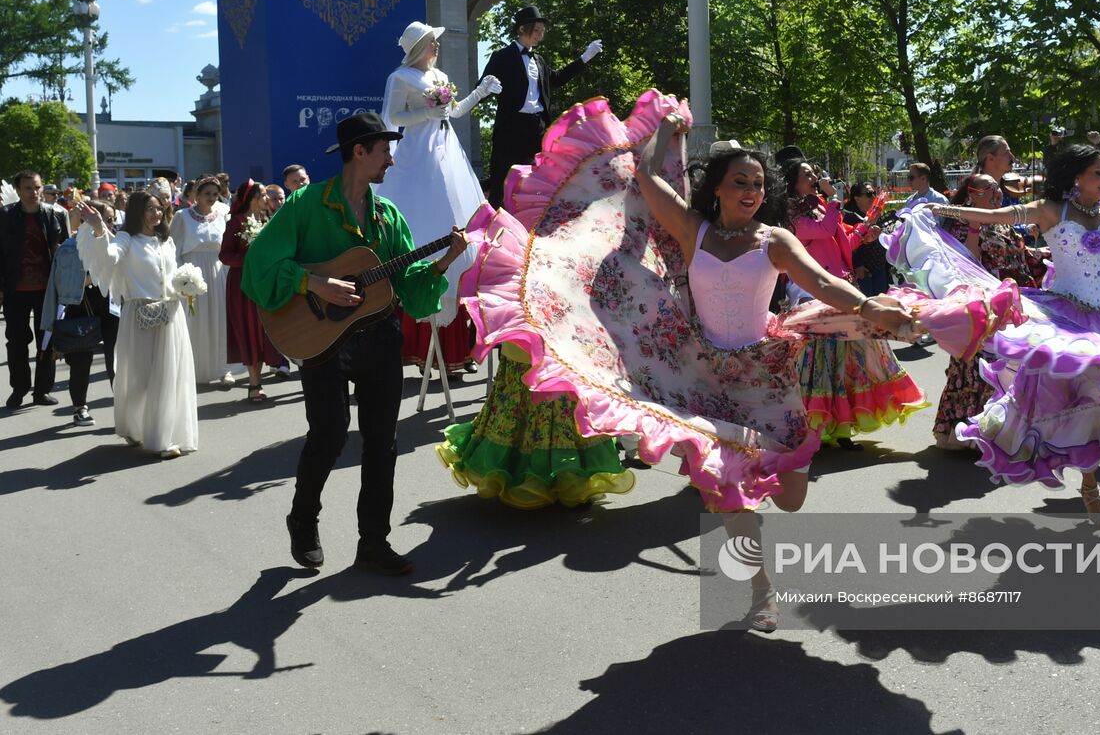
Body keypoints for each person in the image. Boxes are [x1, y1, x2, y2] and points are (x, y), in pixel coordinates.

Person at [455, 96, 1009, 629]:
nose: (751, 191)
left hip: (765, 376)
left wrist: (867, 307)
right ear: (716, 188)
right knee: (725, 490)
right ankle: (761, 591)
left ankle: (774, 495)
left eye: (758, 183)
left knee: (790, 498)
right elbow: (648, 182)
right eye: (740, 182)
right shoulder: (693, 232)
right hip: (703, 377)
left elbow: (822, 281)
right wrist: (664, 132)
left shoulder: (774, 240)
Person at [891, 144, 1100, 525]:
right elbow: (993, 216)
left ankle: (1090, 484)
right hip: (1067, 321)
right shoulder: (1050, 210)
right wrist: (942, 209)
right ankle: (1088, 485)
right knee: (1069, 404)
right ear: (1077, 178)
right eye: (1099, 173)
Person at [242, 112, 471, 576]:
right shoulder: (306, 204)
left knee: (382, 444)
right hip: (321, 337)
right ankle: (303, 520)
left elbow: (407, 287)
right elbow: (259, 267)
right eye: (384, 150)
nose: (391, 159)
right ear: (359, 152)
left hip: (379, 338)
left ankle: (374, 542)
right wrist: (313, 284)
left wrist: (445, 261)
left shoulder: (388, 216)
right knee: (327, 435)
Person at [378, 20, 499, 373]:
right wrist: (426, 113)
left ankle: (456, 327)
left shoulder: (439, 74)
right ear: (420, 46)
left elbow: (455, 111)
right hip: (417, 154)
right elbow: (393, 116)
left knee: (457, 211)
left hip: (447, 153)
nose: (437, 47)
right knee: (424, 217)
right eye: (433, 42)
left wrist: (481, 92)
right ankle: (422, 290)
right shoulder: (400, 77)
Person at [784, 158, 925, 448]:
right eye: (807, 174)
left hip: (840, 287)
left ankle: (843, 427)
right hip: (813, 293)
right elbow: (823, 232)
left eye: (814, 172)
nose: (814, 176)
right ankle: (816, 424)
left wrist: (862, 234)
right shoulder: (791, 215)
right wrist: (834, 199)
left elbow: (841, 242)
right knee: (820, 363)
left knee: (849, 359)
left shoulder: (820, 208)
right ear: (792, 182)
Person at [435, 340, 637, 508]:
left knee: (562, 406)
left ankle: (563, 477)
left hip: (560, 341)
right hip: (528, 338)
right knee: (535, 404)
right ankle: (544, 478)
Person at [73, 192, 199, 458]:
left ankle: (164, 438)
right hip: (139, 314)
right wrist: (98, 227)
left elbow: (170, 275)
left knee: (169, 376)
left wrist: (186, 285)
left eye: (158, 208)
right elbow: (108, 257)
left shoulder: (166, 240)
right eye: (149, 209)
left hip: (171, 313)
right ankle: (133, 425)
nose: (155, 214)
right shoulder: (126, 239)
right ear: (136, 212)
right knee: (141, 378)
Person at [929, 173, 1046, 450]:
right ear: (971, 195)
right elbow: (965, 263)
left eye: (997, 189)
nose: (996, 194)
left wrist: (1042, 250)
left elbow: (1019, 255)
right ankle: (974, 431)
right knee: (980, 369)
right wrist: (973, 227)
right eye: (988, 189)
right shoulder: (959, 227)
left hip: (1015, 307)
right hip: (984, 308)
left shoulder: (1004, 224)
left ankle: (1009, 430)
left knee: (1014, 366)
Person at [481, 4, 602, 206]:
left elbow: (557, 79)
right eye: (537, 30)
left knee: (539, 179)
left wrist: (584, 58)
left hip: (537, 127)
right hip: (511, 128)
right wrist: (486, 88)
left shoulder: (539, 60)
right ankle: (492, 229)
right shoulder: (501, 57)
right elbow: (482, 87)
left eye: (542, 31)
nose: (540, 36)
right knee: (501, 181)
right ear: (521, 29)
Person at [41, 200, 121, 426]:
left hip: (111, 306)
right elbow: (59, 288)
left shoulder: (116, 243)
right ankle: (80, 407)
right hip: (80, 308)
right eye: (107, 219)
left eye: (113, 219)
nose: (111, 224)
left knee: (117, 360)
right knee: (80, 360)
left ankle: (124, 407)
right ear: (89, 220)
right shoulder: (69, 247)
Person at [2, 171, 70, 410]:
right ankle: (19, 389)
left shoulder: (56, 215)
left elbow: (67, 253)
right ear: (18, 190)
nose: (34, 192)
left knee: (47, 341)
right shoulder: (5, 216)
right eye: (28, 188)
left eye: (38, 187)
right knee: (16, 341)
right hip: (15, 289)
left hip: (47, 290)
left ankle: (42, 390)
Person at [220, 181, 284, 402]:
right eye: (264, 195)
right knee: (248, 331)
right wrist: (249, 260)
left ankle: (263, 374)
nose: (267, 199)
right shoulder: (236, 223)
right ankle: (254, 383)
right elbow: (225, 255)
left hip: (264, 283)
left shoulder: (266, 221)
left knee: (263, 330)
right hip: (242, 285)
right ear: (252, 199)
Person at [169, 177, 231, 385]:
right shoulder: (182, 216)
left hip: (217, 271)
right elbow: (173, 249)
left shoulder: (222, 214)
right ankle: (192, 367)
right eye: (207, 194)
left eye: (215, 194)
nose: (212, 198)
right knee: (195, 320)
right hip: (192, 270)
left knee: (219, 318)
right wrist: (181, 277)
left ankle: (223, 367)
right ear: (197, 195)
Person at [844, 182, 890, 297]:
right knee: (866, 305)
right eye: (869, 194)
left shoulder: (875, 213)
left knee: (881, 303)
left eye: (874, 193)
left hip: (879, 267)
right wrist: (857, 265)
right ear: (857, 198)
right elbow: (847, 243)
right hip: (862, 270)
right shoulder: (849, 216)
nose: (873, 197)